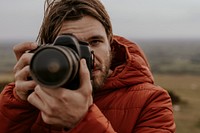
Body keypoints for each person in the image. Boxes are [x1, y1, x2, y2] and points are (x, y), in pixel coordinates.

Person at [0, 0, 176, 132]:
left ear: (110, 43)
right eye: (71, 46)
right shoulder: (34, 96)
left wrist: (82, 120)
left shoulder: (152, 101)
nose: (87, 56)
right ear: (50, 49)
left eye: (95, 41)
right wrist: (18, 104)